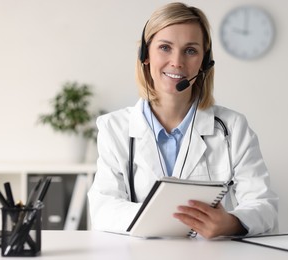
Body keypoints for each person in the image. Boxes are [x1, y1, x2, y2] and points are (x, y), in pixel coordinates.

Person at [88, 2, 278, 239]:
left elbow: (264, 205)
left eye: (190, 50)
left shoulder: (232, 127)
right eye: (165, 47)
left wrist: (230, 223)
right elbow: (103, 208)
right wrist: (166, 218)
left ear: (204, 61)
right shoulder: (114, 128)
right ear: (145, 55)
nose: (177, 61)